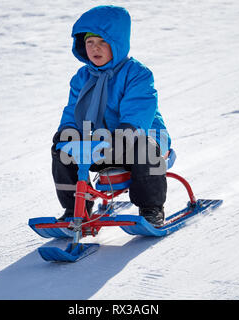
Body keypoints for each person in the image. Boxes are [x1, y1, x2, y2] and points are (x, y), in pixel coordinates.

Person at [51, 5, 171, 227]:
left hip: (139, 137)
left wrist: (125, 134)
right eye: (89, 43)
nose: (95, 48)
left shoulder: (137, 74)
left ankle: (151, 208)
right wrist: (66, 132)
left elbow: (139, 110)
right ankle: (75, 208)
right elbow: (72, 110)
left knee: (145, 146)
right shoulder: (81, 77)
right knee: (62, 152)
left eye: (102, 42)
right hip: (99, 143)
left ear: (117, 42)